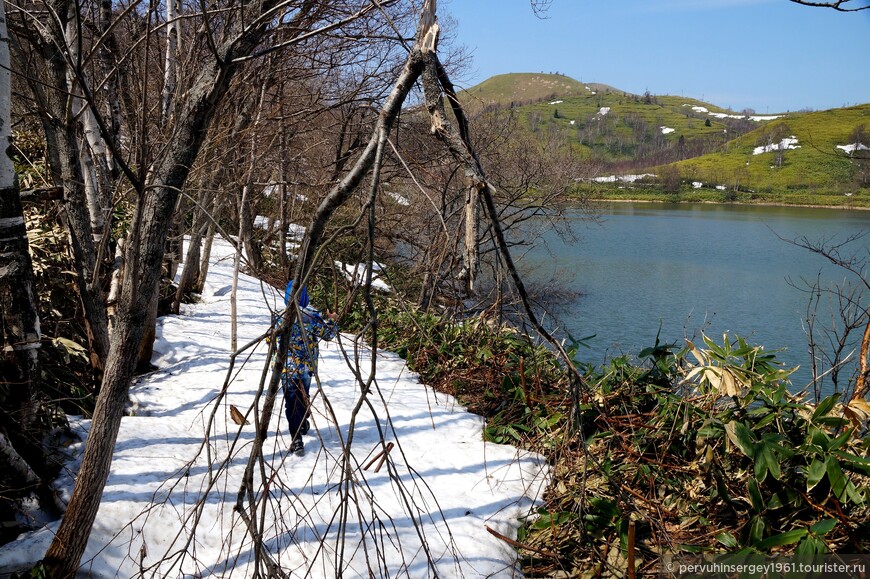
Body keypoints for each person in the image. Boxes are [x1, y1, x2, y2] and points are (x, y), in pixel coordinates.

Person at [277, 280, 339, 455]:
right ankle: (302, 424)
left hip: (286, 369)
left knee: (291, 402)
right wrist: (333, 320)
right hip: (306, 367)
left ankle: (297, 437)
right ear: (305, 297)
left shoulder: (279, 317)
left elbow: (270, 340)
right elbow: (328, 334)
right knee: (303, 397)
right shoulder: (312, 316)